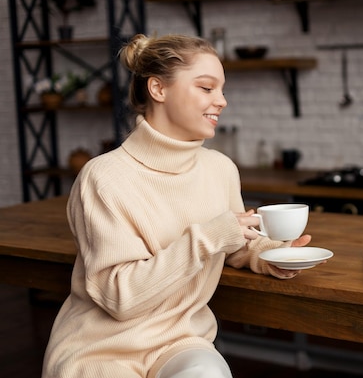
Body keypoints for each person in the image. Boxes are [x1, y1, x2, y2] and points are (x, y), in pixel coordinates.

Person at [42, 33, 312, 378]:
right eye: (206, 88)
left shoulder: (220, 169)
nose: (222, 101)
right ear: (158, 89)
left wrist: (273, 256)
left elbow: (233, 242)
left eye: (222, 89)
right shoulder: (103, 178)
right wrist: (210, 236)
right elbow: (120, 298)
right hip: (104, 347)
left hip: (181, 342)